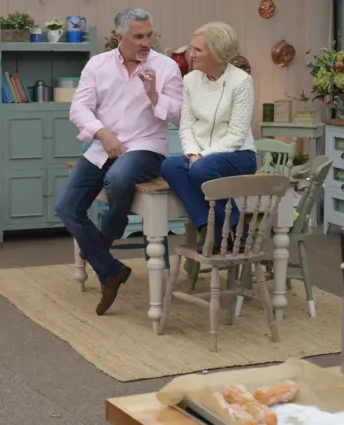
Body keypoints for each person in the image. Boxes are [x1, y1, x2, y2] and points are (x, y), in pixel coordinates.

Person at [55, 8, 183, 316]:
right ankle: (110, 270)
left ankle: (110, 230)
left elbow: (180, 115)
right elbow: (79, 109)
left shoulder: (166, 67)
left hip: (146, 147)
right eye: (138, 36)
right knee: (66, 206)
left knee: (119, 178)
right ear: (119, 37)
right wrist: (102, 134)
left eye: (149, 35)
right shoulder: (97, 65)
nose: (145, 42)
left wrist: (155, 96)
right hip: (103, 146)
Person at [160, 21, 256, 252]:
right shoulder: (190, 80)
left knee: (199, 170)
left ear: (218, 52)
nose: (191, 54)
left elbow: (236, 135)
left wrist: (201, 156)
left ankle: (230, 228)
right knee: (170, 165)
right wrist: (193, 153)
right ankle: (211, 225)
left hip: (237, 155)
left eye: (198, 50)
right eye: (191, 48)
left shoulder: (242, 81)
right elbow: (186, 127)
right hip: (200, 159)